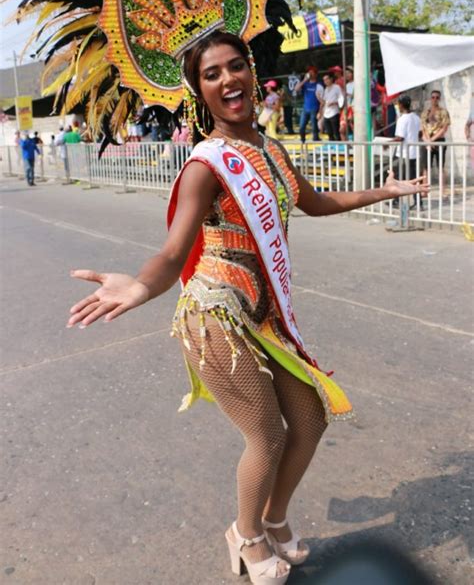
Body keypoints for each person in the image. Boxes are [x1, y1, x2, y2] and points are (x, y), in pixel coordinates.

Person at [67, 30, 429, 585]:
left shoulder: (271, 148)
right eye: (212, 75)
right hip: (214, 316)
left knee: (309, 420)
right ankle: (247, 533)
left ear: (252, 73)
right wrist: (141, 287)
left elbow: (315, 201)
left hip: (260, 318)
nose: (228, 80)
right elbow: (172, 252)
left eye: (235, 67)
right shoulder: (206, 167)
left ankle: (275, 518)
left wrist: (385, 191)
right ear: (199, 92)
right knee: (268, 435)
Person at [391, 95, 422, 208]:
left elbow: (400, 138)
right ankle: (418, 202)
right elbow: (420, 134)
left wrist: (387, 143)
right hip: (414, 153)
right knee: (413, 179)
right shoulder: (416, 117)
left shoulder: (402, 119)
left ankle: (396, 200)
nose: (398, 106)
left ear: (402, 105)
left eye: (398, 104)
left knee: (397, 177)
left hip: (404, 153)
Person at [420, 90, 451, 190]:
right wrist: (427, 141)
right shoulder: (425, 112)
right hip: (427, 141)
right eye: (433, 97)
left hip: (438, 141)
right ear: (430, 98)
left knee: (440, 167)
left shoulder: (443, 112)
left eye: (437, 97)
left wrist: (432, 140)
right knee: (425, 167)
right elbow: (423, 129)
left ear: (439, 99)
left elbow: (444, 128)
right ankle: (424, 190)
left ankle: (443, 190)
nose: (435, 99)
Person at [294, 66, 323, 143]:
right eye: (309, 72)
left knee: (314, 126)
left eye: (312, 72)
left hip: (314, 107)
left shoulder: (318, 84)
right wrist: (304, 80)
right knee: (301, 126)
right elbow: (296, 89)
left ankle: (316, 139)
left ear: (316, 74)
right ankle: (302, 140)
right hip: (305, 108)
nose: (310, 74)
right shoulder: (305, 84)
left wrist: (320, 110)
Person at [320, 71, 344, 141]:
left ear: (331, 79)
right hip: (326, 112)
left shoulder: (336, 87)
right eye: (324, 80)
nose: (326, 81)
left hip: (334, 112)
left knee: (336, 131)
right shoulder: (325, 89)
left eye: (327, 79)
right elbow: (323, 102)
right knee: (329, 132)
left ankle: (338, 146)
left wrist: (335, 103)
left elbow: (340, 97)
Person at [340, 66, 354, 141]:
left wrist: (347, 94)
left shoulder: (357, 83)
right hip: (347, 107)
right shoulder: (347, 85)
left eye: (348, 73)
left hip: (353, 107)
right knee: (342, 129)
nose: (347, 75)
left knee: (353, 126)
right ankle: (346, 146)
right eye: (345, 74)